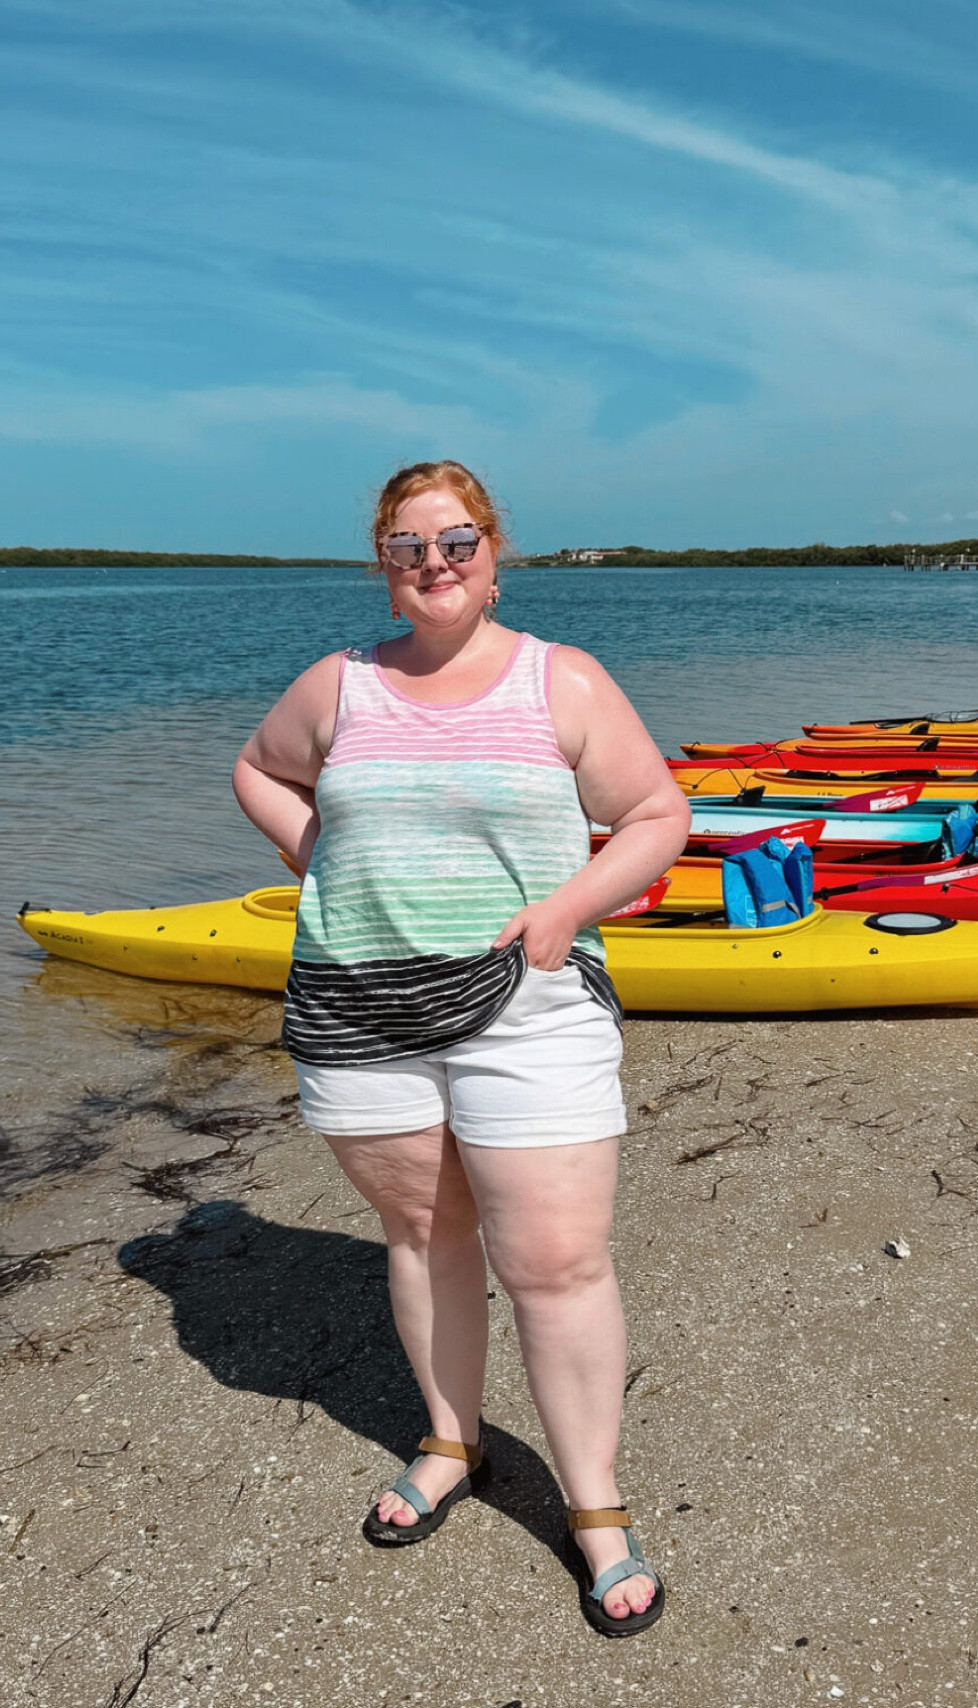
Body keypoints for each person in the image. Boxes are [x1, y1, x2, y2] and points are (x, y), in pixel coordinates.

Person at [232, 460, 689, 1637]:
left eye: (455, 542)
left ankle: (592, 1508)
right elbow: (256, 766)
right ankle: (450, 1440)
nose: (432, 563)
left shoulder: (561, 679)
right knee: (423, 1236)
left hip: (524, 1010)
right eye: (406, 546)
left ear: (493, 555)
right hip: (360, 1015)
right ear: (383, 569)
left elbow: (655, 816)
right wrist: (311, 850)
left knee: (555, 1264)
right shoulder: (338, 687)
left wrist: (565, 910)